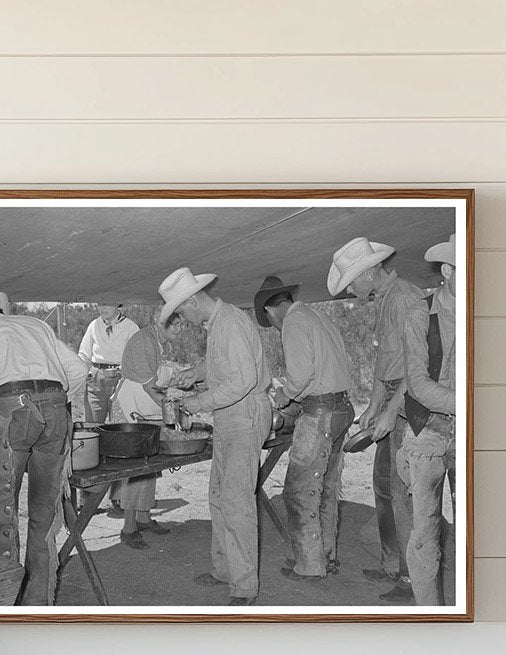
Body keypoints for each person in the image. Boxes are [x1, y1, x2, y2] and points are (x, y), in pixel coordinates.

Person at [0, 291, 87, 605]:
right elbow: (79, 370)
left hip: (13, 411)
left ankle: (1, 599)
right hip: (55, 410)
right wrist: (56, 405)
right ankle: (36, 600)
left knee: (0, 511)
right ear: (1, 311)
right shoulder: (35, 324)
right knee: (43, 512)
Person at [159, 267, 272, 606]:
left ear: (193, 300)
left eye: (182, 311)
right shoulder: (219, 324)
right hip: (230, 418)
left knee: (237, 502)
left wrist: (195, 403)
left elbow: (243, 381)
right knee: (219, 497)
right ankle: (225, 569)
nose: (185, 318)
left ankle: (244, 586)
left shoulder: (232, 322)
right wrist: (195, 373)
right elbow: (225, 367)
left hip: (245, 416)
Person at [327, 236, 427, 605]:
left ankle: (412, 577)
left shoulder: (404, 298)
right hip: (390, 405)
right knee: (383, 489)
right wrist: (373, 406)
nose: (352, 288)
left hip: (409, 408)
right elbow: (387, 363)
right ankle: (391, 564)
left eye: (353, 281)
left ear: (370, 272)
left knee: (402, 496)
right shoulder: (386, 300)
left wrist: (388, 411)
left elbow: (417, 368)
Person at [255, 275, 354, 581]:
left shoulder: (294, 323)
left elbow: (300, 377)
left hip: (320, 414)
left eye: (269, 321)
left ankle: (310, 566)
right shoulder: (316, 316)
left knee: (298, 491)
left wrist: (283, 396)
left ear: (271, 312)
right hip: (342, 409)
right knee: (324, 487)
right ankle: (326, 556)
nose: (273, 325)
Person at [396, 233, 458, 606]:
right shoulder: (420, 313)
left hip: (469, 426)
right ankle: (429, 615)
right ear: (448, 270)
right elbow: (418, 384)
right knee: (425, 534)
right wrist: (468, 403)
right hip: (429, 429)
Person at [108, 313, 184, 549]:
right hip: (131, 407)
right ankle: (128, 527)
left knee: (149, 466)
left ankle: (143, 516)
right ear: (162, 322)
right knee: (137, 468)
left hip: (142, 406)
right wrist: (176, 410)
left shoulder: (155, 341)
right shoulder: (144, 341)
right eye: (177, 324)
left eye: (182, 325)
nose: (180, 329)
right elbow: (151, 388)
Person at [77, 303, 140, 424]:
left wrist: (126, 370)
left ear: (117, 303)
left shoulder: (130, 327)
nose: (103, 308)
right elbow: (84, 354)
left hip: (121, 377)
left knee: (121, 422)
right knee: (93, 424)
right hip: (96, 378)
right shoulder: (94, 325)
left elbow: (137, 356)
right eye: (100, 304)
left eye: (107, 304)